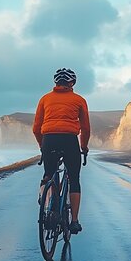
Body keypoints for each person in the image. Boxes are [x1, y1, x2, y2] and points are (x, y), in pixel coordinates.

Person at [33, 68, 90, 234]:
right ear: (72, 83)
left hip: (49, 140)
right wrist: (84, 147)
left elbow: (36, 128)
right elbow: (85, 128)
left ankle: (45, 200)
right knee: (74, 178)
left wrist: (42, 146)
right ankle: (74, 221)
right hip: (69, 141)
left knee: (48, 175)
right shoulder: (79, 100)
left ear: (55, 83)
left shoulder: (45, 99)